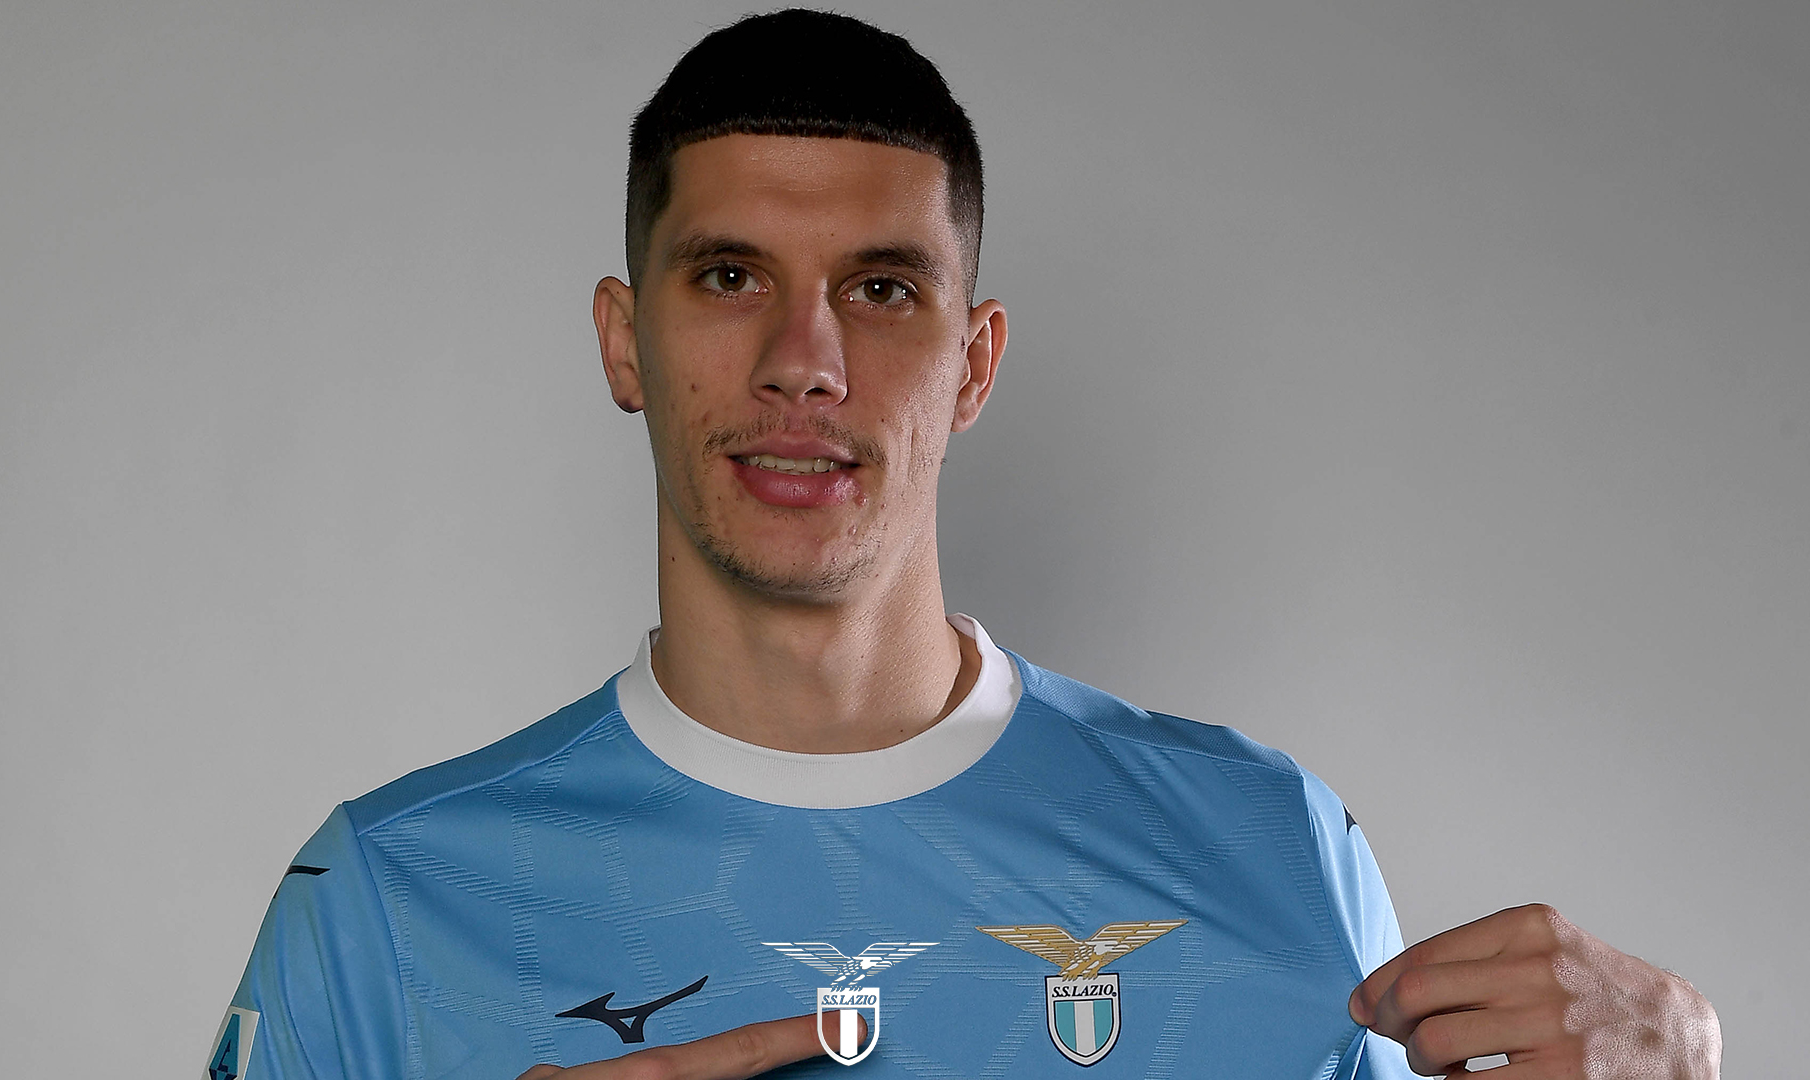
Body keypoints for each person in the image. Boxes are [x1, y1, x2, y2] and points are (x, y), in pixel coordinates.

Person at [208, 11, 1720, 1079]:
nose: (803, 362)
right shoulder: (389, 898)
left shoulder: (1272, 847)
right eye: (730, 275)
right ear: (622, 340)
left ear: (975, 362)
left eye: (880, 290)